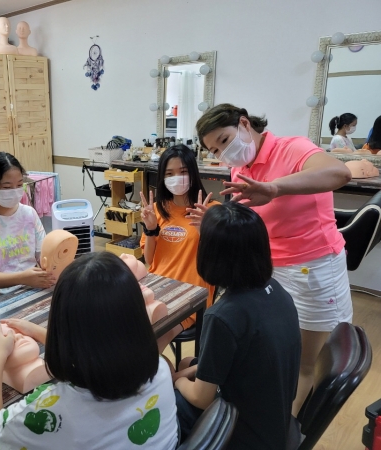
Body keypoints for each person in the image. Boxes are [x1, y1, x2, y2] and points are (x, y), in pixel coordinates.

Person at [196, 103, 352, 416]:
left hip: (313, 267)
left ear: (244, 124)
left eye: (224, 141)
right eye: (215, 151)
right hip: (269, 271)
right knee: (280, 349)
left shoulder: (292, 148)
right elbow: (249, 221)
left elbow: (340, 172)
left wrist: (275, 188)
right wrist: (215, 221)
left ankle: (288, 429)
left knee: (306, 364)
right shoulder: (241, 168)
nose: (224, 154)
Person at [0, 252, 179, 449]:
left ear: (60, 324)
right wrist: (39, 332)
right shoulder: (160, 368)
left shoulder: (55, 412)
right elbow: (99, 344)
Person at [174, 202, 301, 449]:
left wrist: (176, 382)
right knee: (185, 363)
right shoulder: (277, 291)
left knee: (171, 401)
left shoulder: (223, 316)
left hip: (244, 435)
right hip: (275, 421)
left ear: (211, 256)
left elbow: (201, 399)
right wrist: (184, 373)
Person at [140, 145, 216, 334]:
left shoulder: (212, 211)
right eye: (169, 173)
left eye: (183, 172)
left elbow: (220, 263)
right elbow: (149, 260)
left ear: (193, 173)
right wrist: (151, 229)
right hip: (156, 286)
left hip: (191, 294)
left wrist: (205, 232)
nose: (177, 178)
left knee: (154, 337)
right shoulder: (156, 210)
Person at [0, 152, 54, 300]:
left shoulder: (29, 214)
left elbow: (43, 256)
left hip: (34, 286)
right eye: (7, 187)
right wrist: (23, 278)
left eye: (19, 185)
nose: (15, 191)